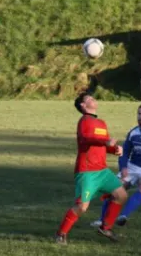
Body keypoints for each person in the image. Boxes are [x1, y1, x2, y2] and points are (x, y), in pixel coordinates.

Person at [55, 92, 128, 245]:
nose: (93, 99)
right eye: (89, 98)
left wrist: (115, 149)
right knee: (82, 206)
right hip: (87, 171)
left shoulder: (101, 123)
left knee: (121, 195)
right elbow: (86, 139)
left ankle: (106, 227)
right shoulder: (84, 121)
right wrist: (106, 142)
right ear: (83, 105)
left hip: (102, 170)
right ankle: (61, 234)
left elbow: (103, 145)